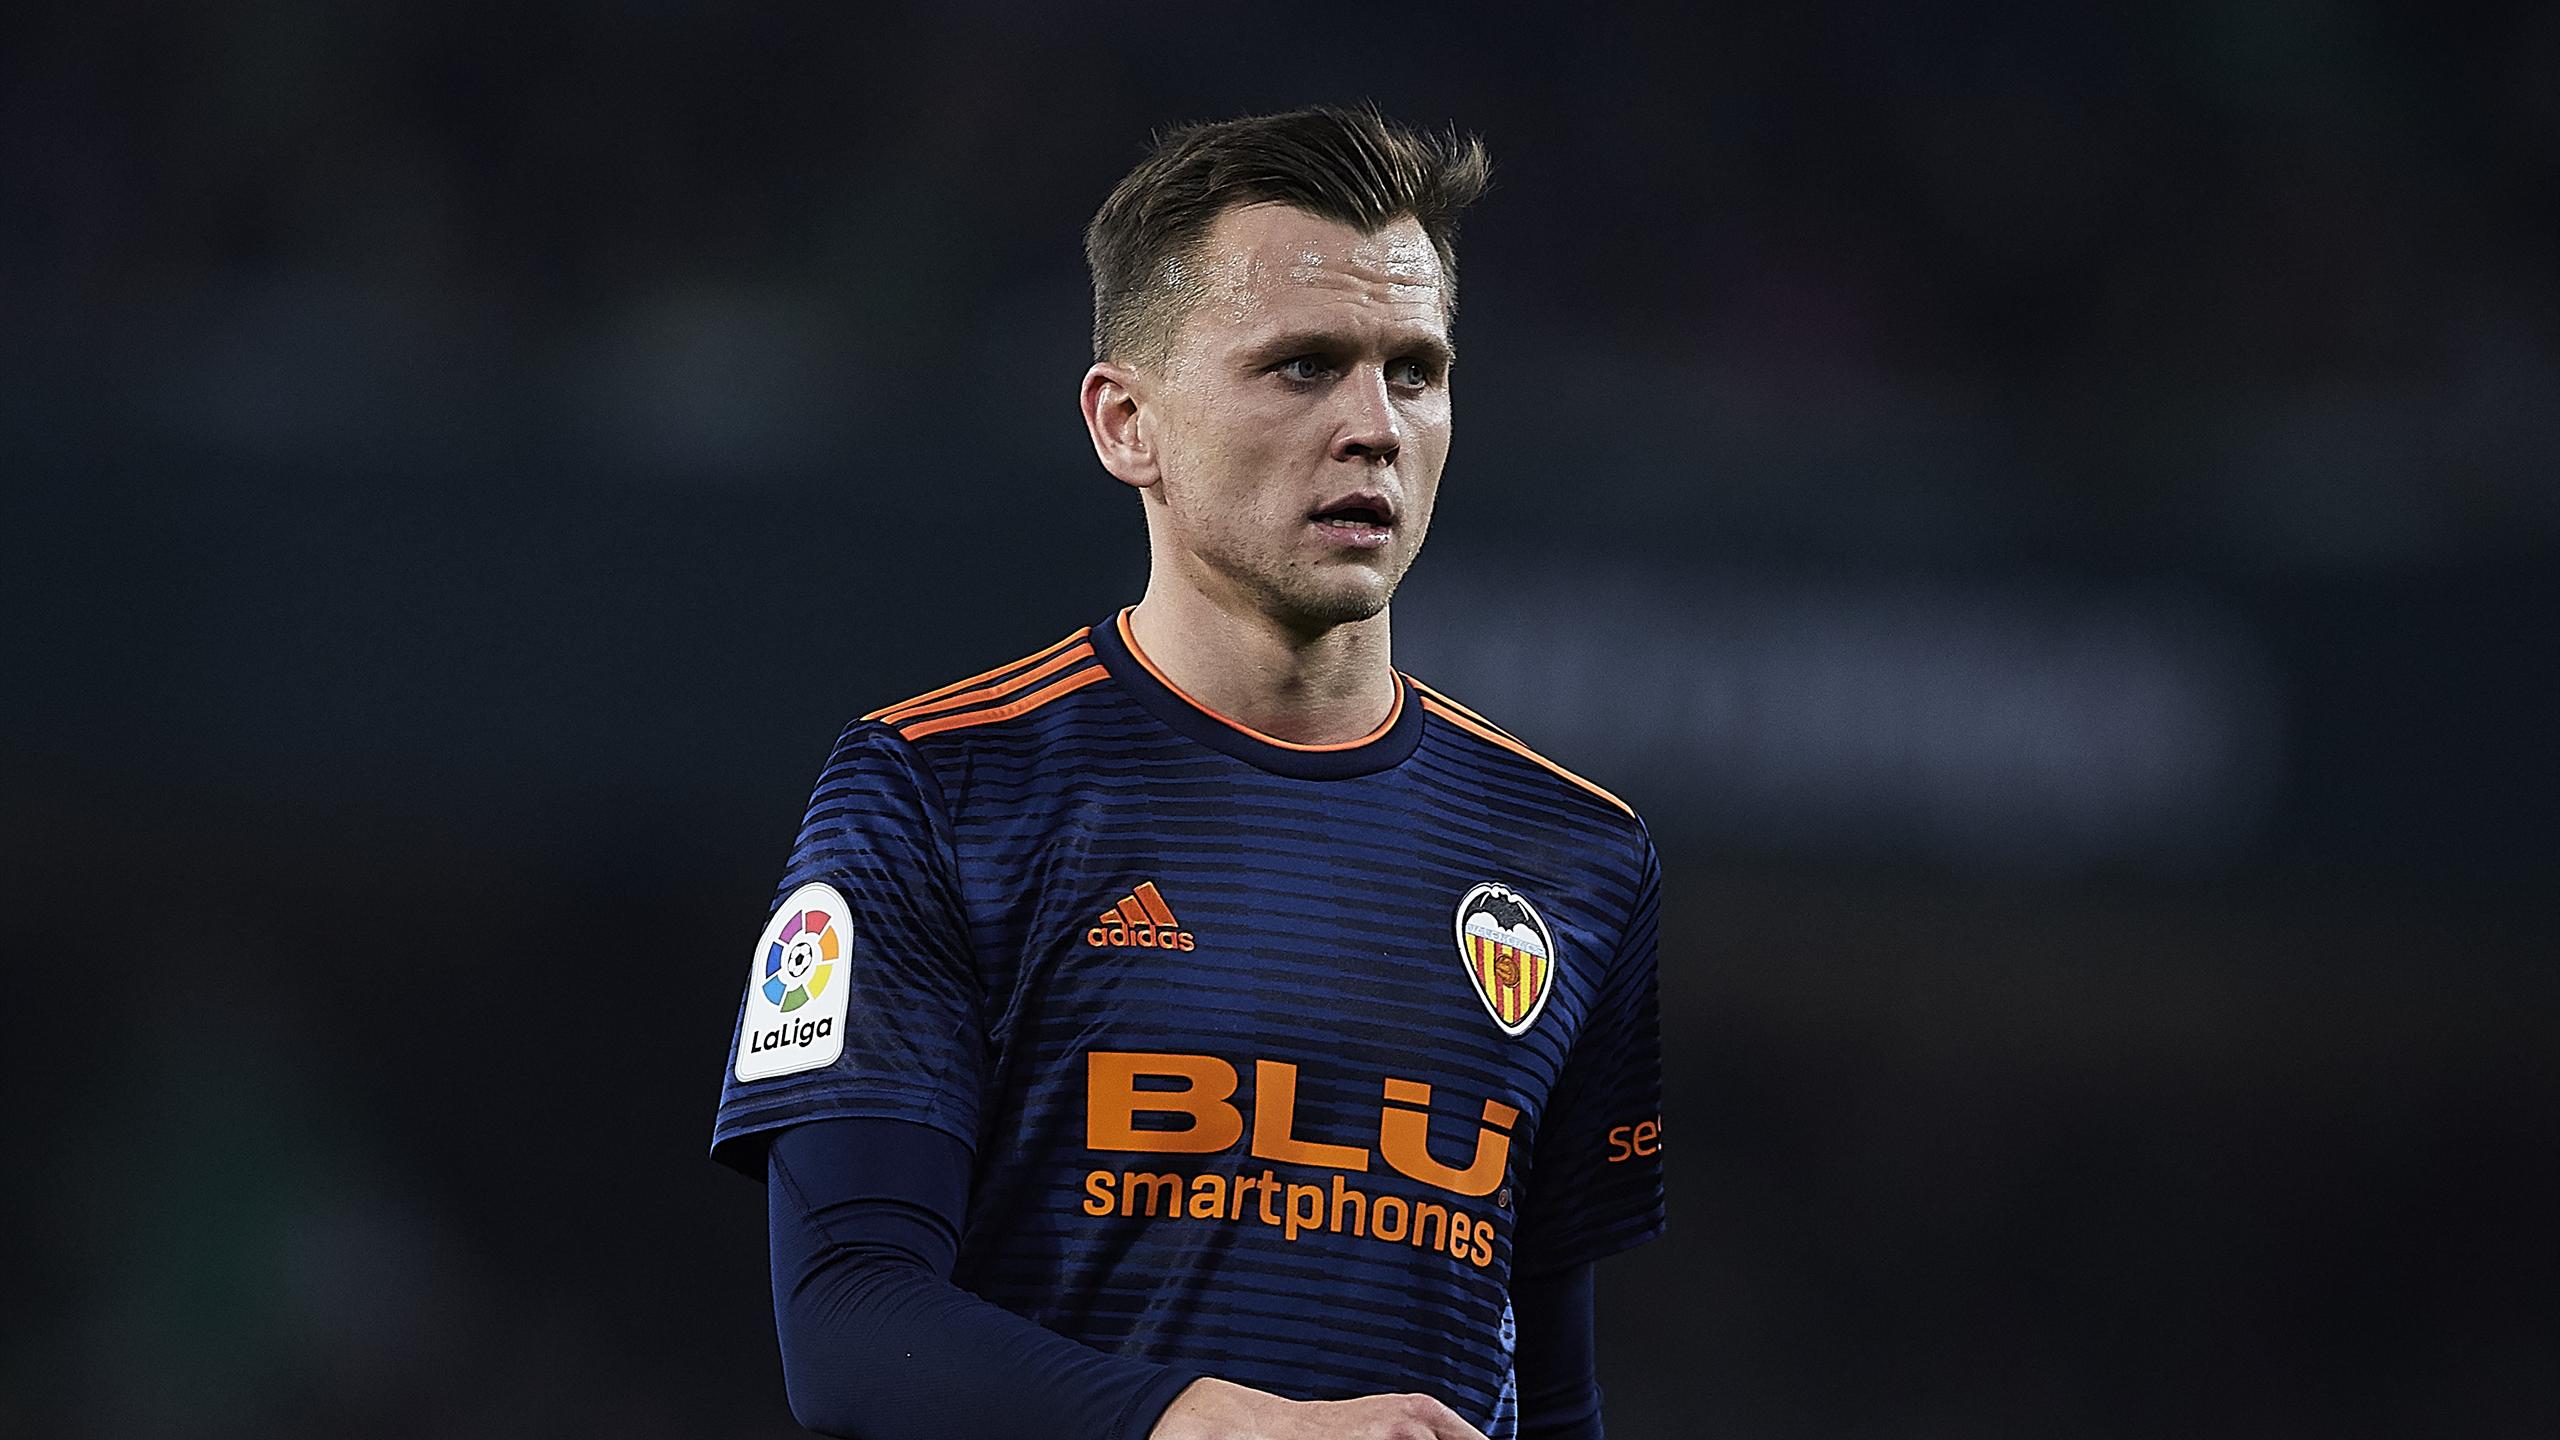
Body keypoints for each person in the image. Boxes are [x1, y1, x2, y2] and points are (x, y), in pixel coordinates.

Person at [710, 105, 1664, 1440]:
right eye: (1303, 366)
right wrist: (1226, 1427)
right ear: (1127, 425)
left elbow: (1551, 1395)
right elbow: (852, 1326)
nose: (1374, 426)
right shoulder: (941, 792)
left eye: (1415, 371)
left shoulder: (1577, 856)